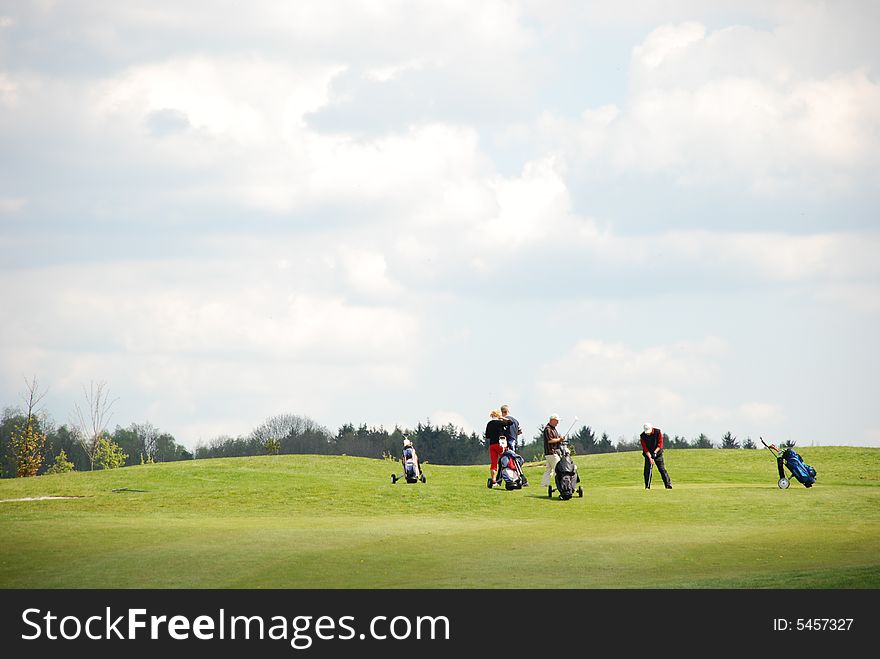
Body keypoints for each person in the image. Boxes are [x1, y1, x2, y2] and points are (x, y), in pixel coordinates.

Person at [485, 409, 512, 488]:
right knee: (505, 461)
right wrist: (503, 418)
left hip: (492, 444)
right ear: (498, 415)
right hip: (501, 444)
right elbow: (510, 422)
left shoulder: (489, 424)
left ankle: (493, 479)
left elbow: (487, 435)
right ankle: (509, 478)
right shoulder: (500, 422)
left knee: (494, 463)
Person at [640, 423, 672, 489]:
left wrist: (655, 452)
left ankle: (668, 485)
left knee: (661, 469)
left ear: (652, 428)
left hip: (658, 453)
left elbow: (660, 444)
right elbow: (645, 448)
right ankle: (647, 486)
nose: (648, 433)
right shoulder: (642, 436)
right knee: (647, 471)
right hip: (648, 454)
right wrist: (650, 457)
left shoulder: (658, 432)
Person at [540, 414, 566, 488]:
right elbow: (550, 440)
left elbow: (555, 439)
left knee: (548, 470)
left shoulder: (553, 429)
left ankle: (544, 485)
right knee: (558, 469)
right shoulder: (548, 429)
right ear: (552, 420)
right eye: (557, 421)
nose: (558, 423)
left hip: (551, 453)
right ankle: (561, 485)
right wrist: (559, 439)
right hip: (551, 452)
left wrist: (560, 439)